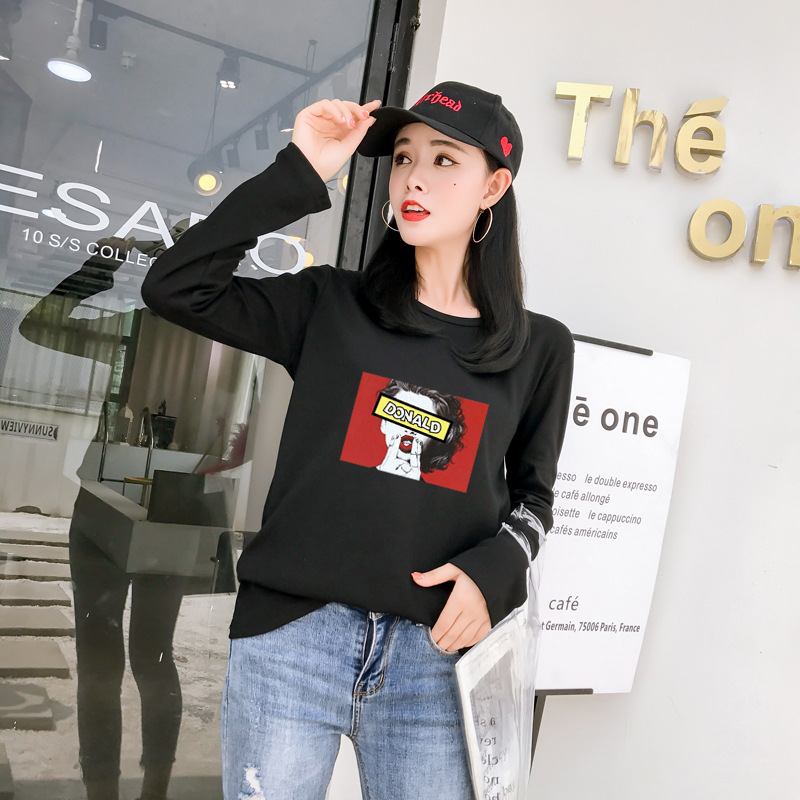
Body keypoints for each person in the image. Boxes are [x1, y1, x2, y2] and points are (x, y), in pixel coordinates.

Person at [141, 80, 574, 800]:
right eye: (403, 157)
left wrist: (492, 569)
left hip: (435, 658)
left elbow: (535, 500)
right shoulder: (329, 305)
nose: (413, 178)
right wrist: (301, 170)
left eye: (444, 160)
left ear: (493, 188)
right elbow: (176, 287)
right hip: (293, 639)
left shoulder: (539, 349)